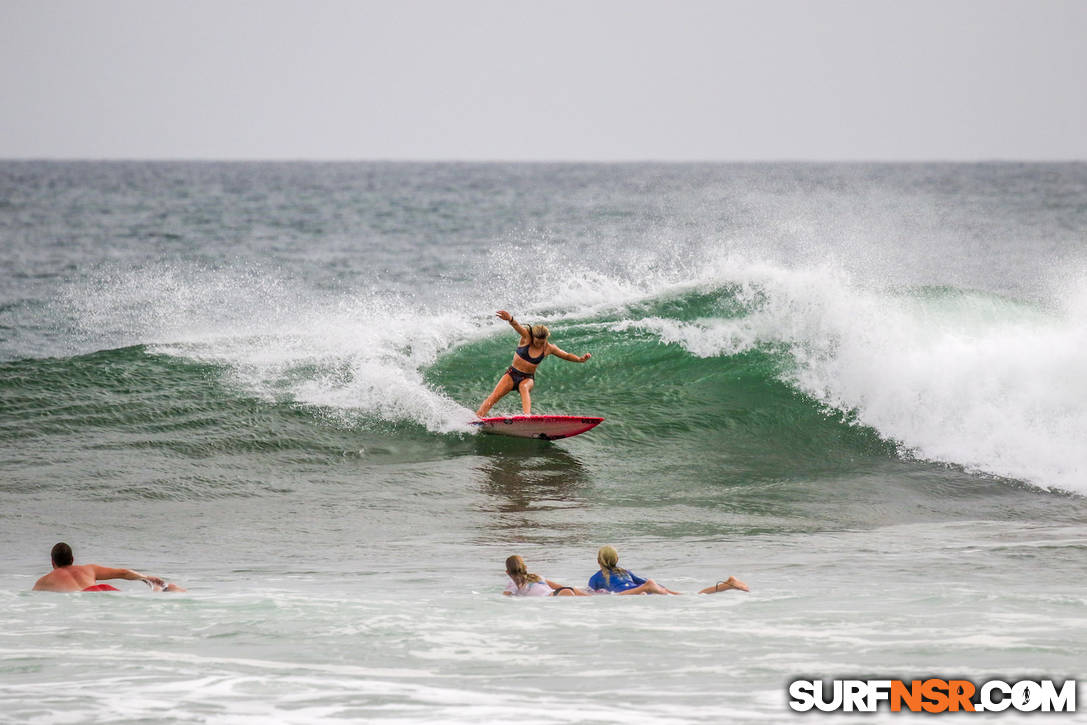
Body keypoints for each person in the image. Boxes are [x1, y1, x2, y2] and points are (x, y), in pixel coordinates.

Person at [476, 310, 591, 418]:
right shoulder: (526, 337)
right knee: (494, 397)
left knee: (524, 387)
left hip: (527, 378)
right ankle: (478, 418)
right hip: (512, 374)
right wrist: (510, 319)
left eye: (542, 342)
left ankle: (527, 417)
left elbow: (566, 355)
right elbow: (517, 326)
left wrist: (580, 359)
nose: (539, 345)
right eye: (537, 342)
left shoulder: (548, 348)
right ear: (532, 336)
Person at [588, 545, 748, 596]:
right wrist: (667, 590)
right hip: (642, 589)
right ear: (617, 560)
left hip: (634, 592)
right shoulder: (625, 572)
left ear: (598, 561)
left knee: (614, 597)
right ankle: (728, 584)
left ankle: (649, 588)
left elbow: (590, 593)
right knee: (692, 596)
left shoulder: (597, 577)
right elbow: (643, 582)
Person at [32, 542, 185, 592]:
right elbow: (123, 573)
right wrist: (145, 578)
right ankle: (163, 589)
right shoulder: (89, 569)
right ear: (72, 559)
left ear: (52, 563)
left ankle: (162, 591)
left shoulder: (45, 581)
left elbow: (31, 599)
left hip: (83, 597)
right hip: (103, 588)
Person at [503, 554, 591, 597]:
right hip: (564, 591)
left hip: (554, 596)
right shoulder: (536, 576)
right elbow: (559, 586)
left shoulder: (513, 583)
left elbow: (504, 597)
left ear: (507, 572)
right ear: (525, 567)